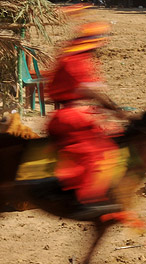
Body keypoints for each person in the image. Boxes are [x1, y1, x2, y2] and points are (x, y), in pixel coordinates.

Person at [45, 22, 126, 218]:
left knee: (118, 136)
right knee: (95, 151)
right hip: (70, 116)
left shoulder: (80, 58)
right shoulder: (75, 60)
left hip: (81, 111)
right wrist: (114, 109)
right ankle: (84, 199)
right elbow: (92, 91)